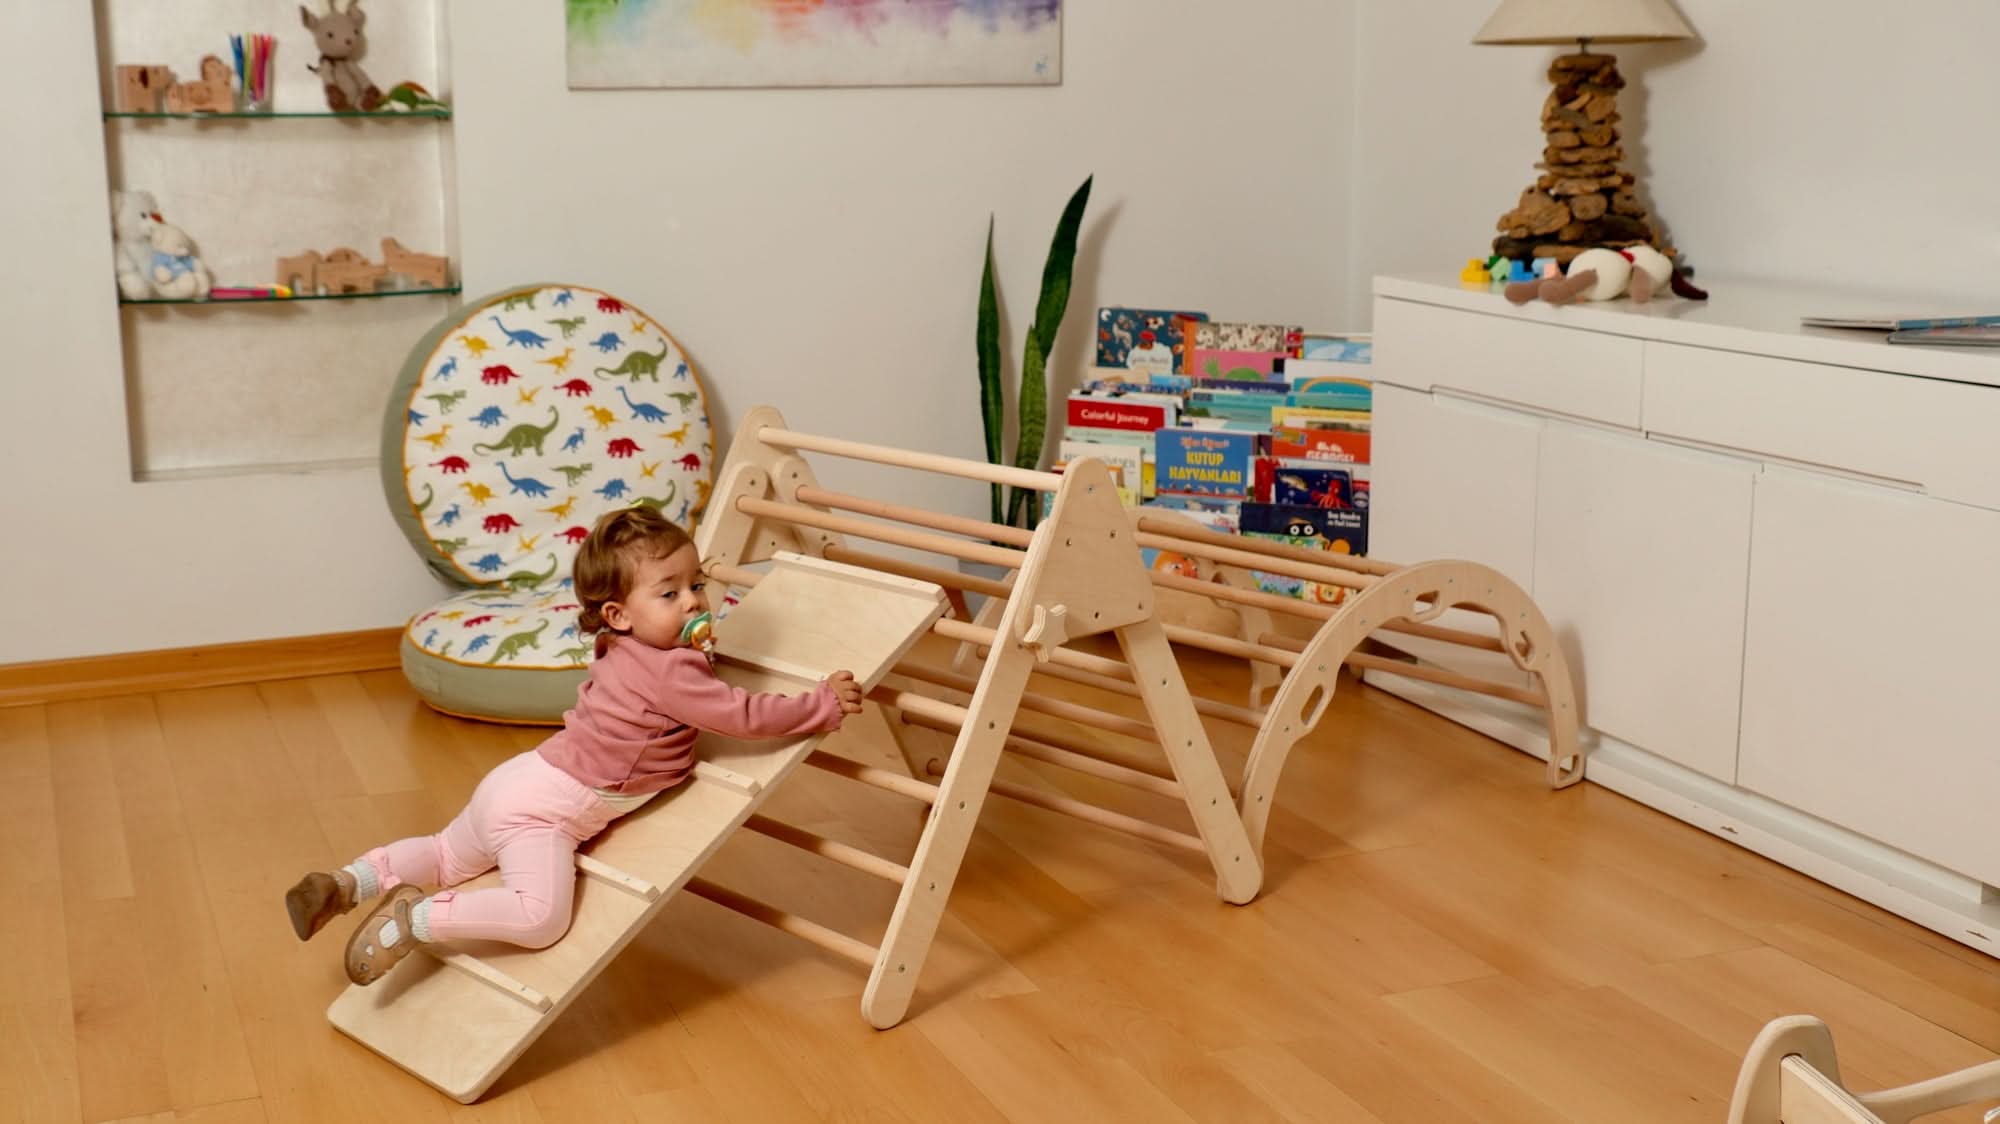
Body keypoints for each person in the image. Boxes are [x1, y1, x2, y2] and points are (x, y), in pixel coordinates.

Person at [284, 505, 864, 984]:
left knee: (443, 854)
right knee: (540, 919)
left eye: (697, 585)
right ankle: (422, 919)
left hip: (520, 778)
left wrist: (688, 637)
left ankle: (349, 881)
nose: (692, 602)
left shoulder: (619, 649)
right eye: (669, 594)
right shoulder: (672, 672)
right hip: (544, 812)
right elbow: (741, 714)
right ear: (618, 614)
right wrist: (820, 704)